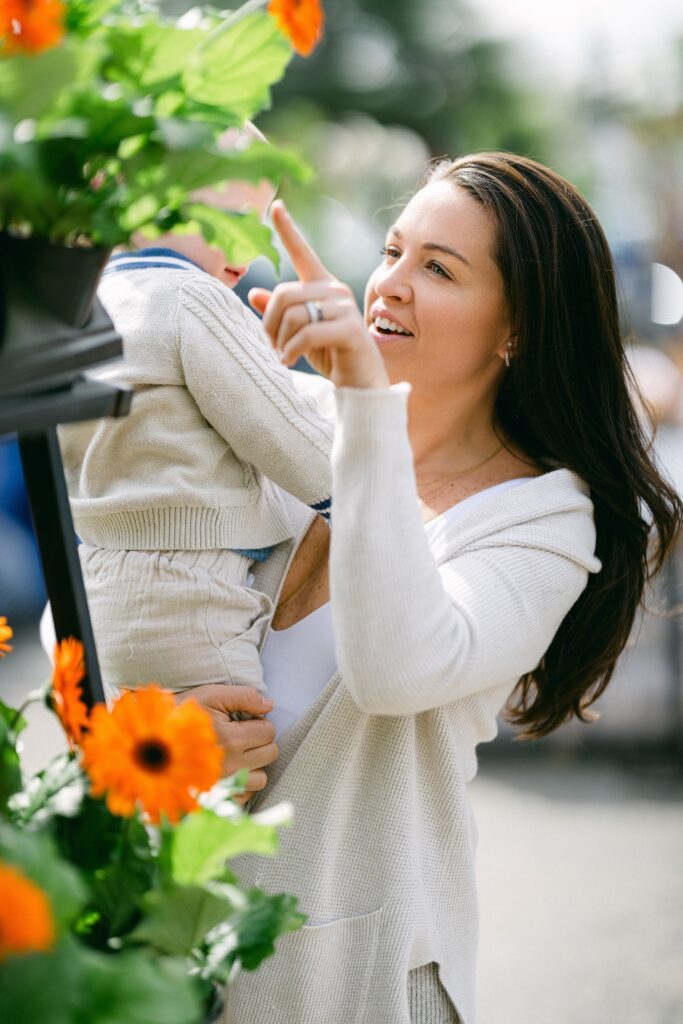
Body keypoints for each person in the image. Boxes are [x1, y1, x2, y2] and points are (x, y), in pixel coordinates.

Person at [183, 153, 681, 1023]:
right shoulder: (293, 426)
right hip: (169, 954)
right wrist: (165, 738)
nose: (389, 285)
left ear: (516, 330)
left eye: (438, 268)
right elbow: (134, 592)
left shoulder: (540, 523)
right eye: (392, 250)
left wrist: (367, 408)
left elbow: (396, 667)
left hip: (347, 987)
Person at [57, 125, 334, 708]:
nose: (255, 250)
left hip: (102, 584)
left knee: (158, 761)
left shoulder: (87, 307)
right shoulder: (192, 299)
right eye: (241, 220)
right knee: (237, 751)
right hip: (194, 591)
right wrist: (352, 492)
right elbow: (276, 424)